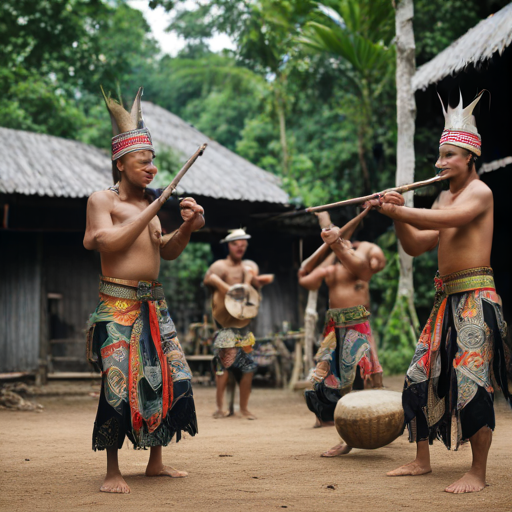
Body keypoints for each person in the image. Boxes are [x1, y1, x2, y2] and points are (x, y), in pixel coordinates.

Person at [365, 91, 511, 493]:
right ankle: (421, 461)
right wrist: (395, 216)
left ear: (469, 158)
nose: (440, 162)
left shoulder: (479, 193)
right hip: (445, 299)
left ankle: (477, 472)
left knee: (472, 382)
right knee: (418, 376)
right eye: (440, 154)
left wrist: (399, 208)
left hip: (476, 299)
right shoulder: (443, 194)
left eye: (449, 155)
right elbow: (416, 244)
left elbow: (453, 218)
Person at [84, 88, 204, 494]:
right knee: (118, 384)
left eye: (154, 162)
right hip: (117, 308)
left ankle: (156, 461)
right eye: (143, 161)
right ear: (121, 163)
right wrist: (154, 209)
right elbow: (105, 241)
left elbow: (165, 251)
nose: (152, 169)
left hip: (154, 307)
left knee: (171, 379)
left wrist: (187, 226)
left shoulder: (151, 204)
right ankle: (113, 469)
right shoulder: (103, 199)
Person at [299, 210, 386, 456]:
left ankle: (380, 426)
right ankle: (346, 438)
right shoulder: (331, 266)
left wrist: (342, 246)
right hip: (333, 327)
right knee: (335, 384)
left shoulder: (366, 250)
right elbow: (305, 276)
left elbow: (372, 266)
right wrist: (329, 247)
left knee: (371, 378)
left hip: (358, 323)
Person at [204, 229, 274, 419]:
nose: (240, 247)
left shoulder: (249, 266)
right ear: (229, 245)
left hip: (244, 329)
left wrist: (254, 279)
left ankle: (244, 408)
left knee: (249, 368)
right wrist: (223, 286)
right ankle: (220, 407)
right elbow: (208, 280)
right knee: (223, 368)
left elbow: (256, 286)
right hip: (225, 328)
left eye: (243, 244)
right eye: (236, 244)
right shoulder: (219, 267)